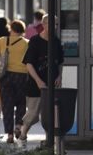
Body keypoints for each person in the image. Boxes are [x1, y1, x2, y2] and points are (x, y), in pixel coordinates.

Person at [18, 17, 63, 148]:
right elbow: (28, 64)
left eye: (56, 24)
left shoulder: (56, 42)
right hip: (35, 84)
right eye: (51, 24)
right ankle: (22, 134)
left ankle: (49, 141)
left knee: (50, 115)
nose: (54, 26)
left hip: (52, 84)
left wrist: (59, 76)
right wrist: (38, 81)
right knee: (33, 115)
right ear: (43, 24)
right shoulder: (35, 41)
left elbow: (60, 62)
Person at [0, 20, 28, 144]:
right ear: (23, 30)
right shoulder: (27, 43)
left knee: (7, 105)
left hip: (5, 76)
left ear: (11, 29)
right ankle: (19, 126)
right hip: (22, 76)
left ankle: (9, 134)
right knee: (21, 103)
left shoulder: (2, 40)